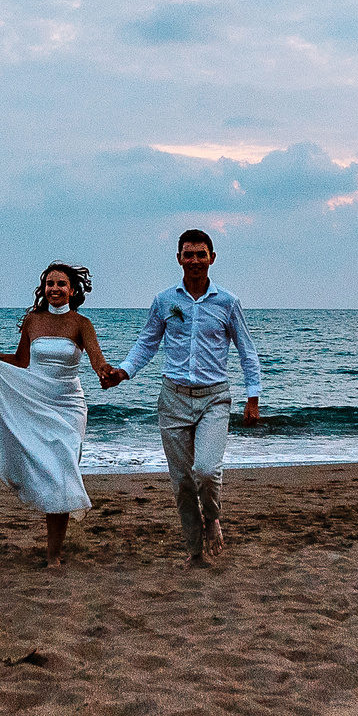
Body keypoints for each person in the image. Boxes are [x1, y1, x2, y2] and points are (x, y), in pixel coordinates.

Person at [0, 262, 123, 568]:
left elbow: (97, 361)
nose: (54, 288)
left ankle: (54, 556)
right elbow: (21, 361)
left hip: (68, 405)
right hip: (35, 399)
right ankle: (54, 550)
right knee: (50, 471)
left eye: (61, 284)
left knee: (63, 467)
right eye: (50, 283)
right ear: (43, 288)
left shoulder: (81, 323)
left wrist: (109, 373)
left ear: (72, 290)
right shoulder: (33, 320)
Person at [104, 229, 262, 567]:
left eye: (200, 254)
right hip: (173, 398)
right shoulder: (164, 301)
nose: (194, 261)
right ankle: (194, 552)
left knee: (205, 469)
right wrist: (124, 372)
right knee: (182, 482)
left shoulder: (228, 303)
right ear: (178, 258)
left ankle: (214, 517)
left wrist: (253, 397)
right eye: (187, 255)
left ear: (212, 258)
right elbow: (147, 342)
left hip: (214, 398)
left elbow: (247, 351)